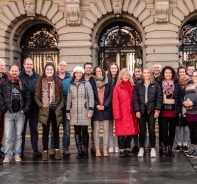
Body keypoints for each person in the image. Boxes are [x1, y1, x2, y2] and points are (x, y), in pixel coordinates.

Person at [35, 62, 64, 161]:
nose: (49, 71)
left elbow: (63, 97)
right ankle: (45, 152)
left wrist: (59, 106)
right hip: (45, 110)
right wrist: (41, 105)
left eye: (51, 70)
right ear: (45, 71)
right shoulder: (40, 82)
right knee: (45, 132)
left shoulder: (58, 82)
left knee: (56, 132)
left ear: (54, 71)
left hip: (55, 111)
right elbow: (36, 96)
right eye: (47, 69)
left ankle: (57, 151)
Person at [2, 64, 31, 163]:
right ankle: (7, 155)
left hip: (20, 113)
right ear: (9, 72)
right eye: (12, 71)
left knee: (19, 135)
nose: (14, 72)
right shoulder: (5, 84)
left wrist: (25, 109)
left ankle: (17, 154)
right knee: (7, 136)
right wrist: (4, 108)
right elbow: (0, 97)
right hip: (8, 114)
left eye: (16, 71)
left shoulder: (22, 84)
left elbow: (28, 98)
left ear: (19, 72)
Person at [134, 68, 162, 158]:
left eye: (148, 73)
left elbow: (159, 98)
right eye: (144, 73)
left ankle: (153, 148)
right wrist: (137, 110)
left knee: (152, 130)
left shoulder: (156, 85)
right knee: (142, 130)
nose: (146, 74)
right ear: (142, 74)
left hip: (152, 110)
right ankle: (141, 148)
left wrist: (157, 110)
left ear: (150, 74)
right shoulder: (138, 85)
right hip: (142, 110)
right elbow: (135, 99)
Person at [66, 66, 94, 159]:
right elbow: (69, 99)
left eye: (80, 73)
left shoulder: (87, 84)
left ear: (82, 74)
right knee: (76, 131)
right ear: (74, 74)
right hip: (74, 111)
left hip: (84, 111)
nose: (78, 74)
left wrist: (90, 110)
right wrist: (68, 113)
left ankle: (85, 150)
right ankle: (79, 151)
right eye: (76, 73)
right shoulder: (71, 85)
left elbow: (91, 98)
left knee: (84, 131)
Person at [112, 68, 139, 157]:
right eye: (124, 75)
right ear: (121, 76)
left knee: (130, 131)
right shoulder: (118, 87)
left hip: (131, 113)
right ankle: (122, 149)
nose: (126, 76)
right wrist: (117, 114)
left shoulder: (133, 86)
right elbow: (115, 101)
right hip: (121, 113)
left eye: (127, 75)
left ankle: (128, 147)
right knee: (121, 132)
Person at [19, 57, 41, 159]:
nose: (29, 66)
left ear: (33, 65)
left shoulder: (37, 76)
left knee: (34, 130)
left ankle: (35, 150)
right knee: (21, 130)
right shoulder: (20, 76)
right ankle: (20, 150)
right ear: (24, 65)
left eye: (30, 64)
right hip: (22, 109)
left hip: (34, 108)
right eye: (27, 64)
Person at [89, 66, 113, 157]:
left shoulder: (109, 81)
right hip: (96, 108)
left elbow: (111, 94)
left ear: (103, 72)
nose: (99, 72)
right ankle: (97, 149)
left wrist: (105, 105)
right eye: (97, 71)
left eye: (100, 71)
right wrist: (96, 105)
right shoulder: (91, 82)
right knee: (96, 130)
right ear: (94, 72)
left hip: (106, 108)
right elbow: (90, 95)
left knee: (106, 129)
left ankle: (105, 149)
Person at [158, 66, 182, 157]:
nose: (168, 74)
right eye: (166, 73)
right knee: (164, 130)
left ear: (172, 74)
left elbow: (180, 97)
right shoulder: (159, 83)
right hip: (163, 111)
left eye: (169, 73)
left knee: (172, 130)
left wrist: (179, 110)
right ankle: (166, 147)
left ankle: (170, 148)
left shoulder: (177, 83)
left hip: (173, 111)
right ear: (163, 74)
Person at [50, 61, 72, 156]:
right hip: (55, 107)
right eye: (61, 65)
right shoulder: (53, 77)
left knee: (67, 129)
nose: (62, 67)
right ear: (58, 66)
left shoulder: (70, 78)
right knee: (54, 129)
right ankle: (53, 147)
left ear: (66, 67)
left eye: (64, 65)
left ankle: (65, 148)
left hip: (67, 108)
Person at [175, 65, 193, 153]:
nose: (181, 73)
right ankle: (179, 143)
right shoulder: (176, 82)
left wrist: (185, 102)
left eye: (183, 72)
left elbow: (191, 93)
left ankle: (185, 144)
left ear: (185, 72)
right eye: (180, 72)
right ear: (178, 73)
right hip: (178, 106)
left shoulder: (190, 81)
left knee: (186, 127)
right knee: (178, 126)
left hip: (188, 106)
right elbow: (176, 95)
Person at [183, 72, 197, 158]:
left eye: (196, 76)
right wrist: (184, 102)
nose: (195, 77)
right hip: (189, 112)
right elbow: (184, 96)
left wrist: (193, 102)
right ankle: (193, 148)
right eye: (194, 76)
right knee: (191, 131)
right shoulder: (189, 85)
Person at [107, 62, 119, 153]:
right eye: (112, 68)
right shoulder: (107, 80)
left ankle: (117, 145)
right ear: (109, 69)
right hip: (109, 107)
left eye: (115, 68)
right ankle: (111, 145)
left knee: (118, 126)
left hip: (118, 106)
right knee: (110, 127)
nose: (114, 70)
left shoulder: (120, 79)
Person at [84, 62, 95, 153]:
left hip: (92, 106)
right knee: (84, 128)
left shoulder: (94, 79)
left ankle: (93, 145)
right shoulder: (80, 78)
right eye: (87, 68)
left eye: (90, 68)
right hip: (82, 107)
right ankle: (85, 146)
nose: (88, 69)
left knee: (93, 127)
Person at [152, 62, 164, 149]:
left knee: (161, 125)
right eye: (155, 67)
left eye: (158, 68)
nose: (156, 69)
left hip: (161, 105)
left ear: (160, 69)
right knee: (151, 126)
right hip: (151, 105)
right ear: (152, 69)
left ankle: (161, 142)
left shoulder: (163, 79)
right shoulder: (149, 77)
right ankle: (151, 143)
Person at [131, 66, 143, 153]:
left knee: (142, 128)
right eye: (136, 71)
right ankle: (136, 144)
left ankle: (143, 144)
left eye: (139, 71)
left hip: (142, 107)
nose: (137, 73)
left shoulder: (145, 80)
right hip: (133, 107)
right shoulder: (131, 81)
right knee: (135, 127)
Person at [0, 59, 7, 158]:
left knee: (2, 130)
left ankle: (0, 148)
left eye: (2, 65)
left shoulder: (6, 78)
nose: (1, 67)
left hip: (4, 108)